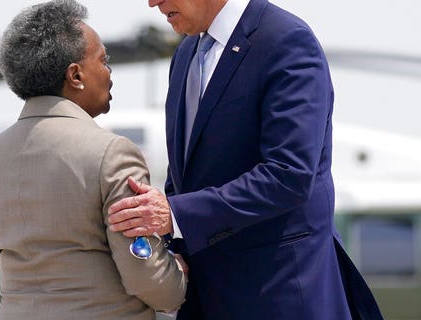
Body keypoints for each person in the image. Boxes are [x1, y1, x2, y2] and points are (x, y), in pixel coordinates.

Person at [107, 0, 383, 319]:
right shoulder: (184, 56)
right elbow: (186, 173)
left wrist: (175, 214)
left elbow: (289, 174)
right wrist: (170, 246)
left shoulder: (286, 41)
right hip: (207, 297)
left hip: (279, 297)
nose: (153, 2)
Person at [0, 1, 186, 319]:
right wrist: (177, 276)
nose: (109, 72)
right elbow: (148, 276)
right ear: (75, 75)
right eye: (103, 60)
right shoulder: (112, 154)